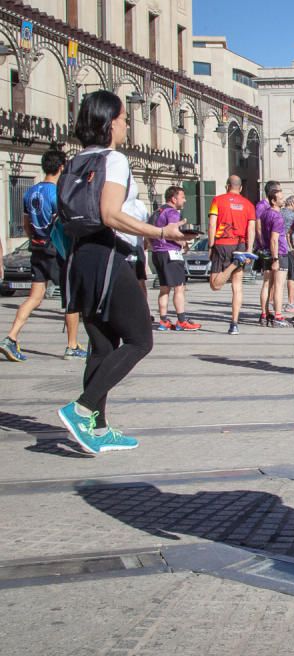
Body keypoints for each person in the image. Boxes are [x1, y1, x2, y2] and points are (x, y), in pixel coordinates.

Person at [56, 90, 187, 453]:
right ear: (110, 121)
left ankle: (95, 429)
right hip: (109, 255)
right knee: (140, 339)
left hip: (81, 257)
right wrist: (163, 232)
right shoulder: (113, 159)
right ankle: (83, 409)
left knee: (101, 346)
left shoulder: (74, 162)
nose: (127, 124)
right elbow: (111, 214)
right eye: (124, 118)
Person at [1, 149, 88, 362]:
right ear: (61, 167)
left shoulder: (29, 192)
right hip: (56, 250)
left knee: (35, 297)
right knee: (71, 298)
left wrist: (34, 239)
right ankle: (72, 346)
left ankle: (11, 337)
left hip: (37, 248)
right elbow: (66, 223)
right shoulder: (57, 194)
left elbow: (25, 224)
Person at [208, 175, 257, 335]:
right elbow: (251, 229)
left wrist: (210, 245)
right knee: (237, 287)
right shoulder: (249, 205)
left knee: (215, 285)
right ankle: (234, 324)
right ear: (241, 188)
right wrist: (249, 250)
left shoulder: (217, 200)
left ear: (227, 186)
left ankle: (234, 264)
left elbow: (212, 223)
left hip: (222, 243)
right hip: (240, 246)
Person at [150, 186, 200, 331]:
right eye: (182, 197)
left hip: (157, 253)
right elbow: (174, 233)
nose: (184, 200)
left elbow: (148, 232)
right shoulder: (172, 213)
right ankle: (181, 320)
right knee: (179, 287)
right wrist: (184, 242)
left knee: (164, 288)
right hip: (171, 253)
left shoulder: (157, 212)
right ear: (173, 198)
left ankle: (163, 321)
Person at [258, 185, 291, 327]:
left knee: (266, 283)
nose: (283, 200)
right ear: (273, 200)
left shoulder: (265, 213)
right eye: (280, 198)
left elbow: (260, 229)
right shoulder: (277, 217)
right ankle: (278, 316)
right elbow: (274, 239)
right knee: (278, 286)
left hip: (266, 251)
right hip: (279, 252)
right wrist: (276, 258)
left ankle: (264, 314)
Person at [282, 195, 294, 314]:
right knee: (293, 275)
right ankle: (291, 302)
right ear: (293, 203)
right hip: (290, 249)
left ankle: (274, 301)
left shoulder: (279, 213)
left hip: (280, 248)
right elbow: (291, 234)